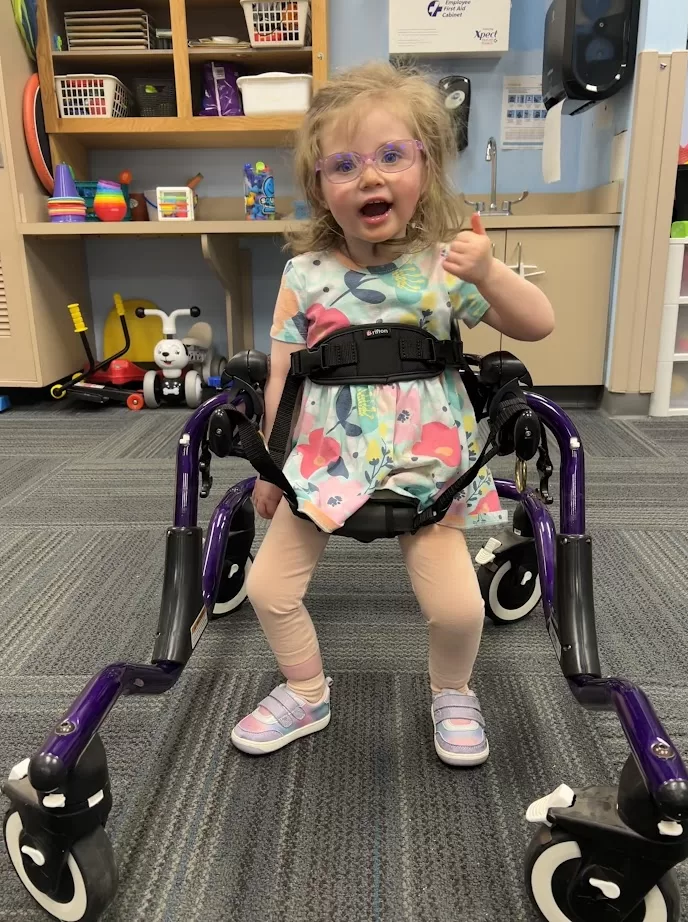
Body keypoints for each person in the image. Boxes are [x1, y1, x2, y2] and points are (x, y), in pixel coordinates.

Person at [231, 61, 554, 766]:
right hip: (320, 461)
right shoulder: (304, 273)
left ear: (426, 166)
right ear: (321, 187)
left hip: (425, 464)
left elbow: (539, 324)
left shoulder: (447, 265)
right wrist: (268, 460)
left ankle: (453, 691)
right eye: (343, 165)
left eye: (390, 156)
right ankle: (306, 689)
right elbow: (284, 370)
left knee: (460, 609)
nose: (369, 178)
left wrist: (491, 274)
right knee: (267, 590)